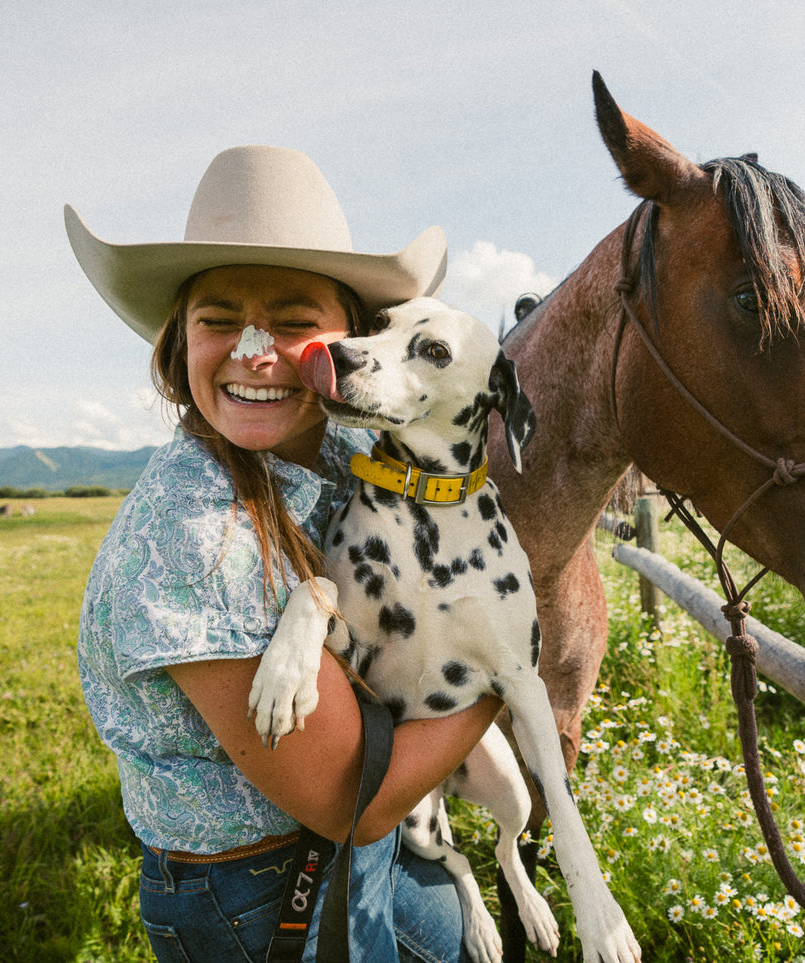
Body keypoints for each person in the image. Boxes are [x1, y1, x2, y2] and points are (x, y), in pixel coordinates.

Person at [67, 146, 500, 962]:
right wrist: (504, 673)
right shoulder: (196, 533)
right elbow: (348, 802)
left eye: (294, 321)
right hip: (258, 892)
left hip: (338, 850)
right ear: (178, 342)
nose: (255, 350)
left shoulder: (343, 453)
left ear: (353, 345)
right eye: (219, 318)